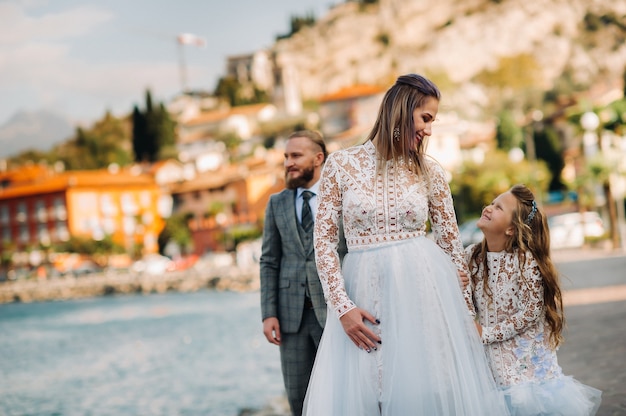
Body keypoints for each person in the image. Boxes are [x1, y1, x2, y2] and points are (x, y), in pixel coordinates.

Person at [303, 74, 509, 415]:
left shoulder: (432, 173)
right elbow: (322, 242)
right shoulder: (341, 165)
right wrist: (342, 308)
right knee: (370, 393)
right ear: (401, 110)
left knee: (427, 393)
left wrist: (466, 316)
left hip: (424, 299)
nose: (429, 130)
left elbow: (451, 248)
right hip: (363, 300)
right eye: (426, 118)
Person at [467, 184, 602, 415]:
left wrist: (487, 334)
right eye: (492, 203)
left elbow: (530, 312)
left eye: (498, 207)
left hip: (527, 369)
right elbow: (465, 298)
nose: (488, 208)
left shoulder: (524, 261)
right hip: (492, 367)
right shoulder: (471, 256)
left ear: (511, 228)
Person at [260, 130, 346, 416]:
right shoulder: (277, 203)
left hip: (334, 313)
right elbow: (269, 261)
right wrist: (268, 313)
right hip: (290, 318)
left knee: (342, 391)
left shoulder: (341, 197)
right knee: (299, 399)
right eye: (286, 157)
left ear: (318, 158)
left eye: (296, 156)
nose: (288, 163)